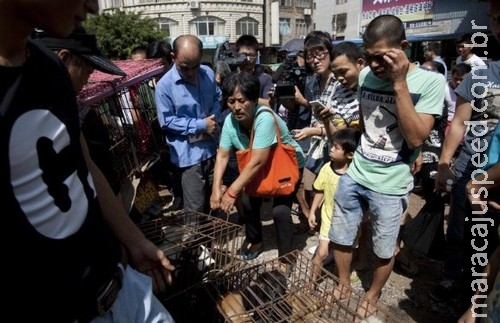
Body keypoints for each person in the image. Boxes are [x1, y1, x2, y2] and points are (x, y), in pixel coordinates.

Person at [1, 1, 175, 322]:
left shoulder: (47, 67)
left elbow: (81, 161)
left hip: (122, 292)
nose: (94, 7)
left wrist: (134, 240)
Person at [328, 14, 445, 319]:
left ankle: (373, 293)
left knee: (383, 247)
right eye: (368, 57)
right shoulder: (365, 76)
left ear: (403, 47)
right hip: (357, 172)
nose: (374, 65)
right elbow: (368, 125)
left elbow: (418, 135)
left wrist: (400, 83)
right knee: (341, 233)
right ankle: (343, 282)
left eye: (381, 57)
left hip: (391, 183)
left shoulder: (430, 82)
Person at [431, 0, 500, 308]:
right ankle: (455, 280)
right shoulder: (484, 75)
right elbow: (459, 122)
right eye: (494, 19)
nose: (496, 25)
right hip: (472, 169)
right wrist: (445, 163)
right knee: (462, 232)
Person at [210, 71, 305, 261]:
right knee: (247, 201)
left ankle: (285, 256)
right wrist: (215, 189)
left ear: (254, 99)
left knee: (280, 211)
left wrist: (231, 192)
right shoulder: (230, 121)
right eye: (231, 101)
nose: (236, 107)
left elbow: (258, 160)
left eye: (242, 100)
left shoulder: (264, 118)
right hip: (256, 168)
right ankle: (256, 241)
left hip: (284, 166)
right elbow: (222, 155)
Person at [33, 27, 126, 198]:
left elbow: (91, 168)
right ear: (64, 59)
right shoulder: (74, 114)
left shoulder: (66, 109)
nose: (87, 81)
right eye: (87, 72)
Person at [155, 35, 221, 215]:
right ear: (173, 56)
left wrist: (213, 119)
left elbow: (218, 96)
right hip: (189, 157)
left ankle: (209, 242)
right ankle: (193, 243)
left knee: (213, 202)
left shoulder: (207, 73)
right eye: (185, 68)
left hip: (211, 149)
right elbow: (167, 121)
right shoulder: (164, 86)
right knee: (195, 209)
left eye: (195, 66)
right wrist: (201, 125)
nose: (191, 73)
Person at [308, 128, 360, 283]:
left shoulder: (355, 174)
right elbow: (320, 190)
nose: (331, 149)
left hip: (348, 222)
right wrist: (312, 211)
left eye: (337, 147)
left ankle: (345, 275)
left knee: (346, 250)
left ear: (350, 154)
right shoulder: (326, 168)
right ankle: (311, 283)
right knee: (322, 253)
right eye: (332, 145)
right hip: (328, 218)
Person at [235, 34, 273, 107]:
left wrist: (246, 98)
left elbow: (269, 103)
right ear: (237, 54)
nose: (248, 59)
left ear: (257, 55)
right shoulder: (231, 76)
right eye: (244, 55)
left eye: (252, 55)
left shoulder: (265, 79)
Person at [444, 63, 471, 134]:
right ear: (452, 76)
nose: (458, 82)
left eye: (461, 79)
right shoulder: (443, 89)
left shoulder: (473, 91)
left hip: (465, 126)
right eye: (455, 78)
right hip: (446, 125)